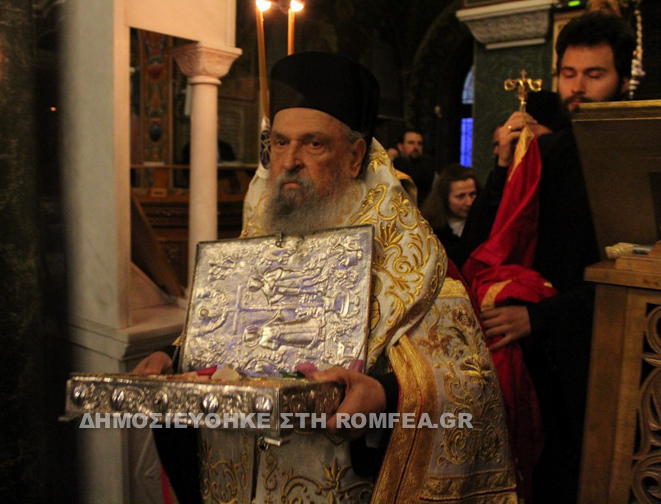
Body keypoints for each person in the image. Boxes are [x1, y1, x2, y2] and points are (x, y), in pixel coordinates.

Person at [136, 51, 516, 503]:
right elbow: (222, 333)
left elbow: (469, 380)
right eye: (279, 143)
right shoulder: (259, 232)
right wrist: (170, 357)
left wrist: (384, 395)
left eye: (313, 144)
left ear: (355, 156)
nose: (289, 161)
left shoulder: (411, 255)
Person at [464, 12, 636, 503]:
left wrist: (541, 318)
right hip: (540, 359)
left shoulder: (638, 152)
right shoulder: (545, 151)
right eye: (568, 73)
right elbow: (483, 245)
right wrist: (504, 166)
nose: (577, 88)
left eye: (594, 75)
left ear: (623, 80)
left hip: (605, 355)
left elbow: (636, 273)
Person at [420, 164, 481, 263]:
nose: (469, 202)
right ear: (445, 198)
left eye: (472, 194)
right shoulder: (430, 230)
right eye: (461, 196)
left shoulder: (483, 222)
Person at [391, 129, 436, 206]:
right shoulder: (396, 164)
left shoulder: (427, 165)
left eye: (419, 143)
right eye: (411, 143)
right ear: (400, 146)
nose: (416, 147)